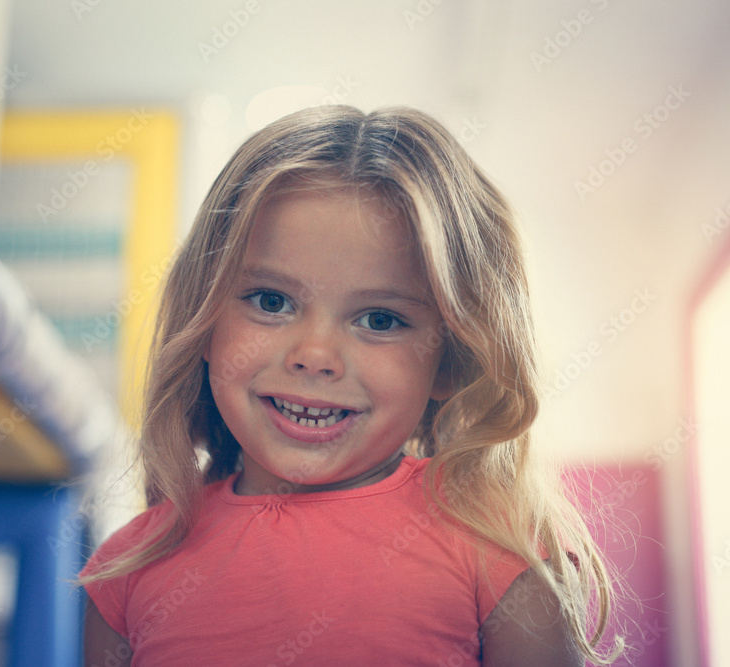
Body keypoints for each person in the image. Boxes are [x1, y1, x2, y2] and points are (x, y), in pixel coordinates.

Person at [79, 105, 623, 665]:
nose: (314, 356)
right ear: (205, 323)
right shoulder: (127, 569)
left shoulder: (499, 547)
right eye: (272, 302)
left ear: (451, 362)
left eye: (380, 320)